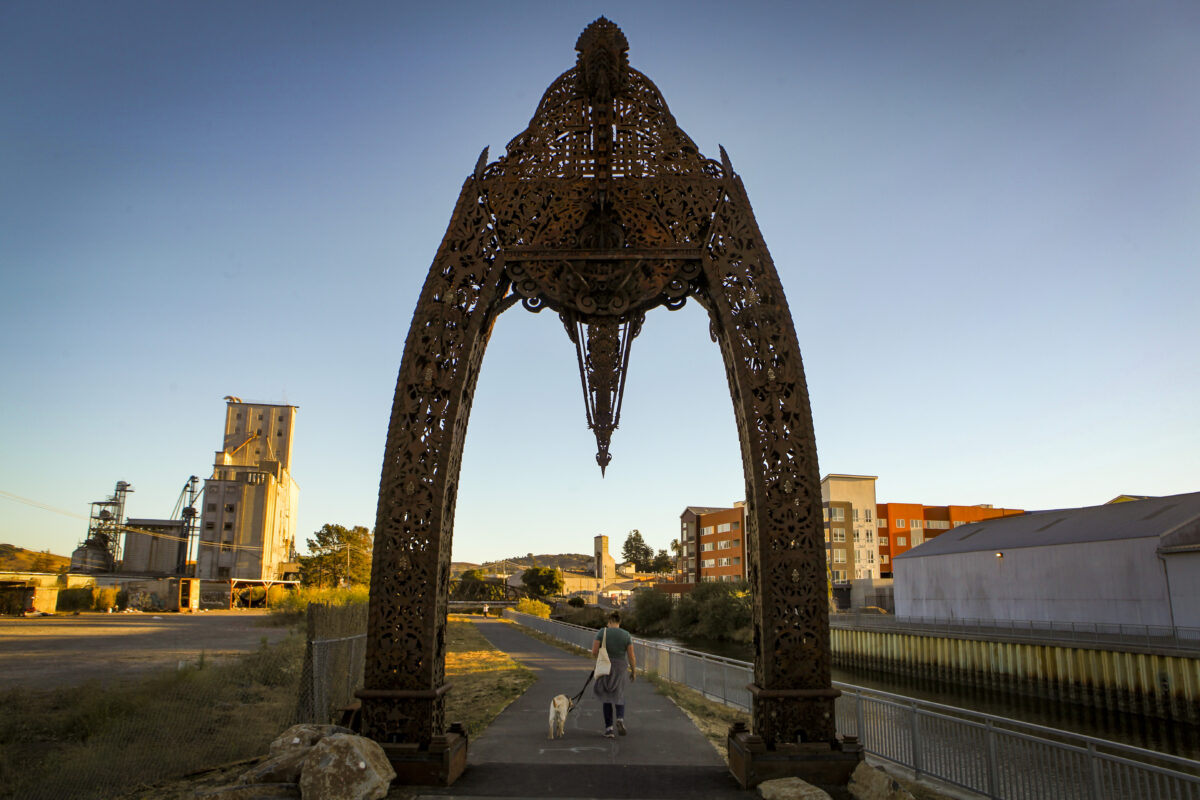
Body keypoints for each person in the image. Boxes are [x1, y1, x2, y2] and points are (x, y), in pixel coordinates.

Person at [591, 610, 636, 738]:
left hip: (606, 666)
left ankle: (609, 729)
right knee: (619, 694)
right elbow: (631, 656)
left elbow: (594, 651)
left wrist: (602, 656)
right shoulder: (626, 635)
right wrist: (633, 671)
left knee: (606, 697)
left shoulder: (602, 632)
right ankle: (620, 719)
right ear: (619, 622)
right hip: (620, 667)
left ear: (610, 621)